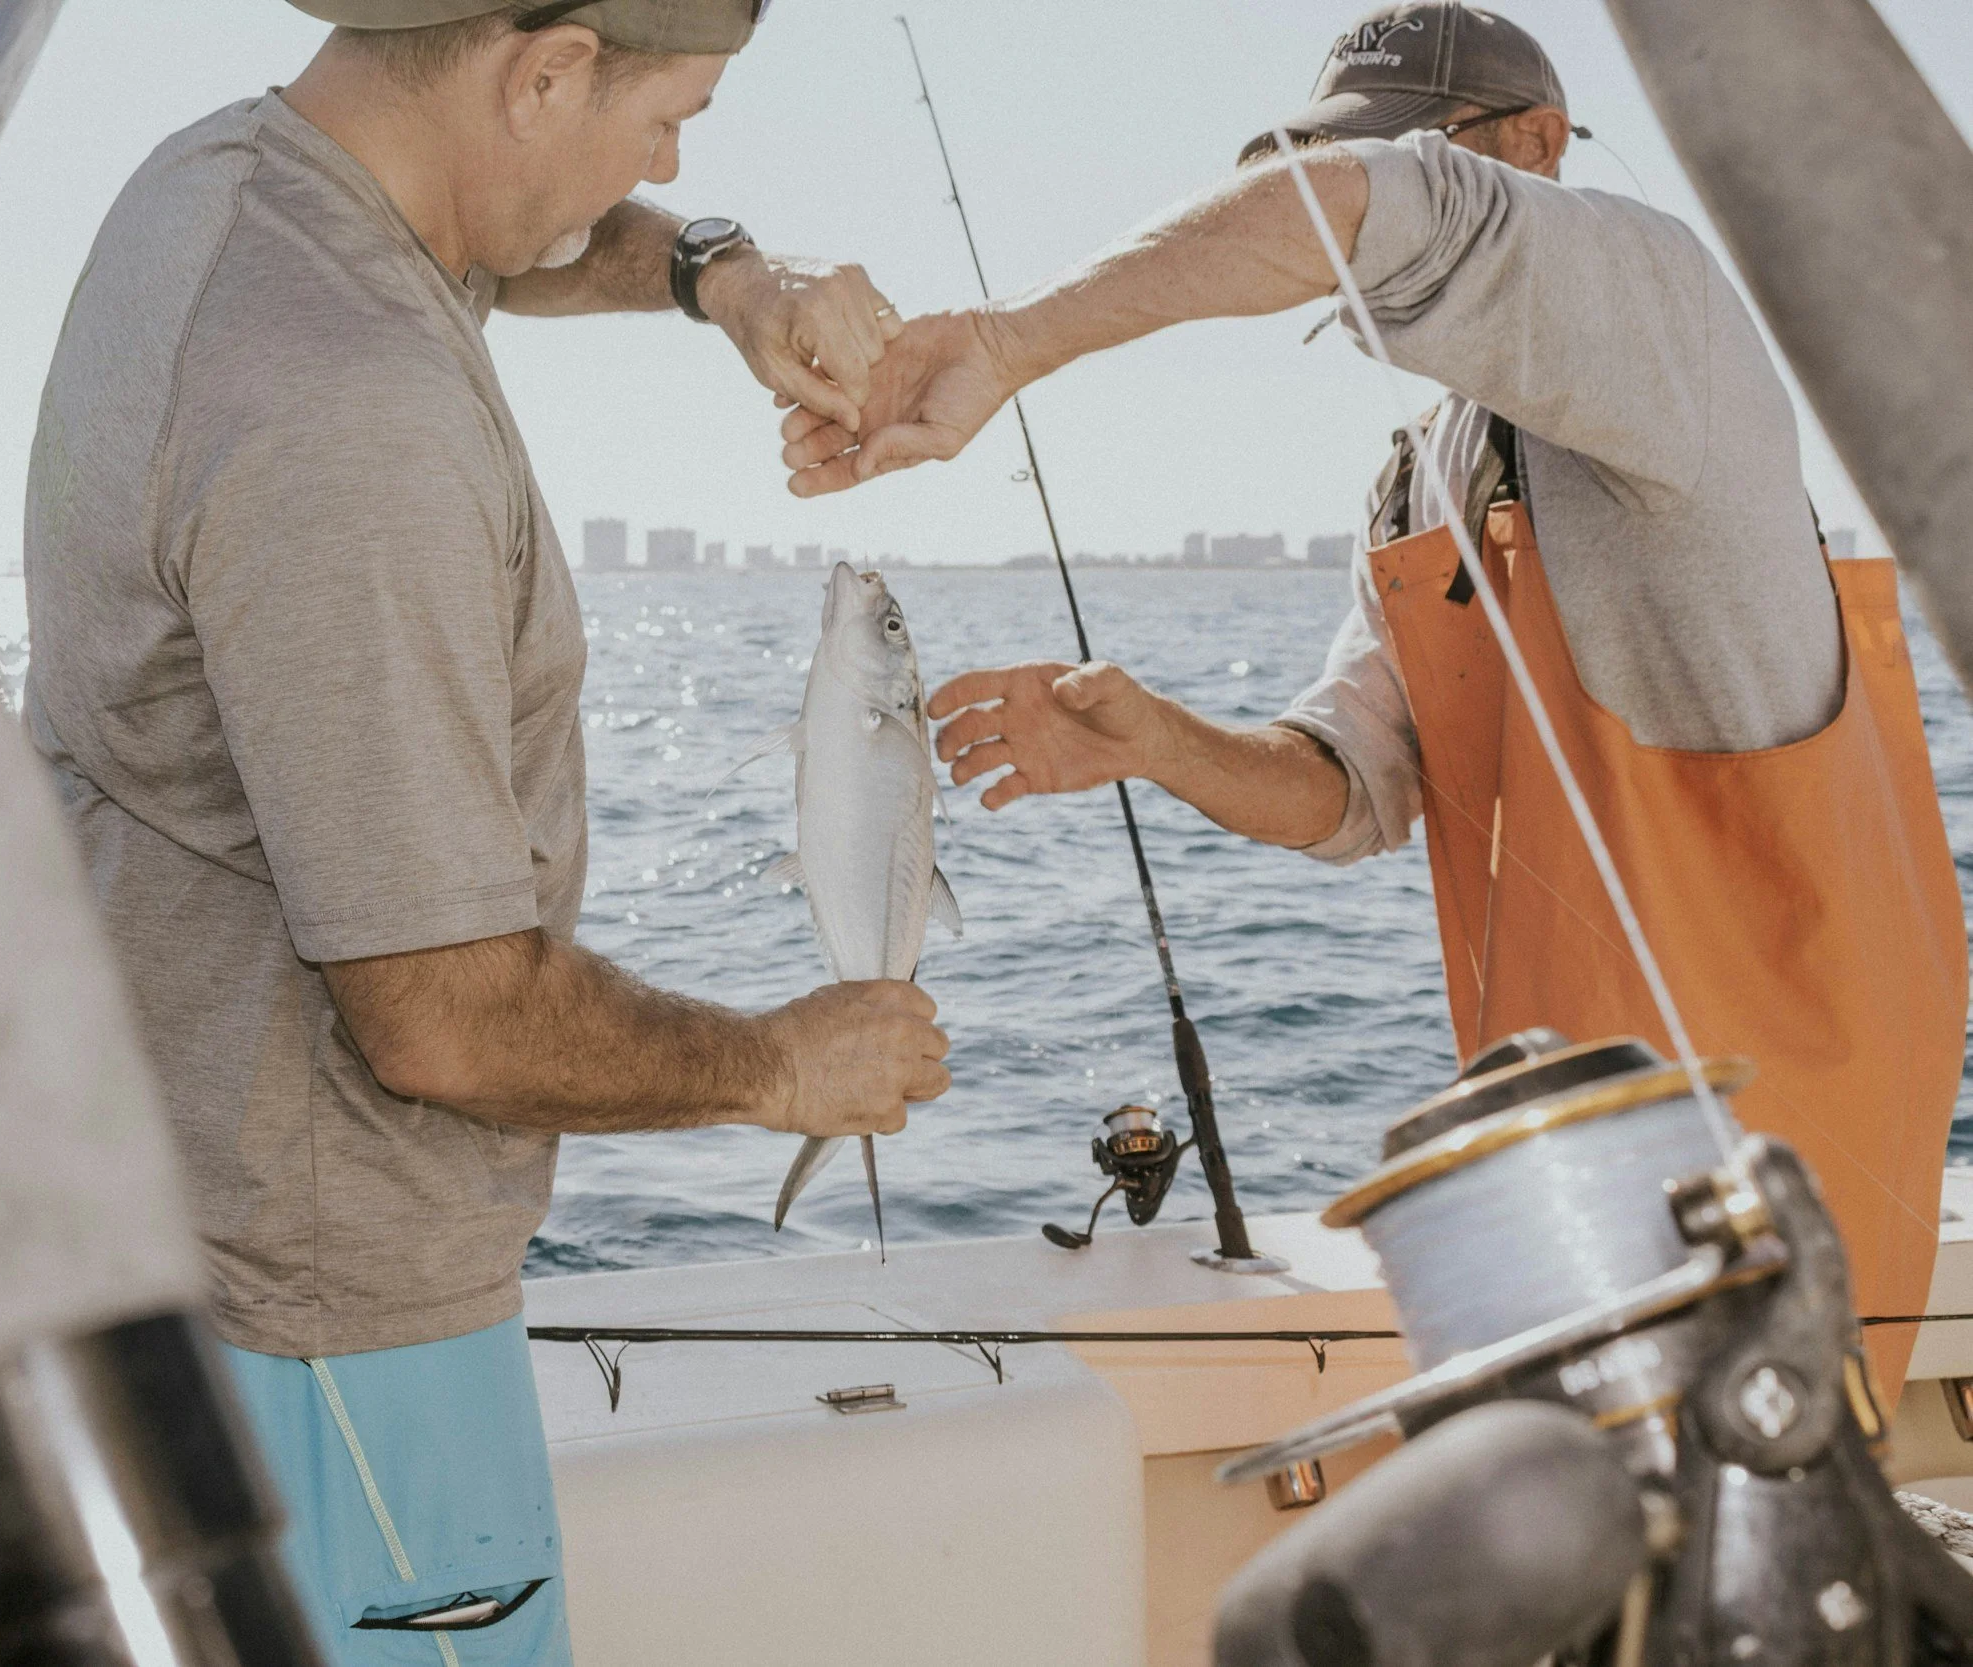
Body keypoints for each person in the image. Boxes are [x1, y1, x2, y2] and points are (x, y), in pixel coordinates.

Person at [782, 0, 1965, 1397]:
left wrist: (1014, 342)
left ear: (1536, 145)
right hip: (1570, 1144)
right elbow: (1350, 788)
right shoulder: (1426, 470)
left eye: (1402, 157)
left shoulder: (1657, 304)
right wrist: (1150, 738)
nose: (1341, 262)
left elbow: (1366, 213)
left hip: (1775, 1142)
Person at [22, 2, 951, 1659]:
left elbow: (522, 246)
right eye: (676, 116)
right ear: (548, 69)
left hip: (152, 1232)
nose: (672, 164)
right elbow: (441, 1016)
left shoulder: (232, 189)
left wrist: (727, 279)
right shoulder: (344, 406)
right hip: (329, 1320)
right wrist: (780, 1066)